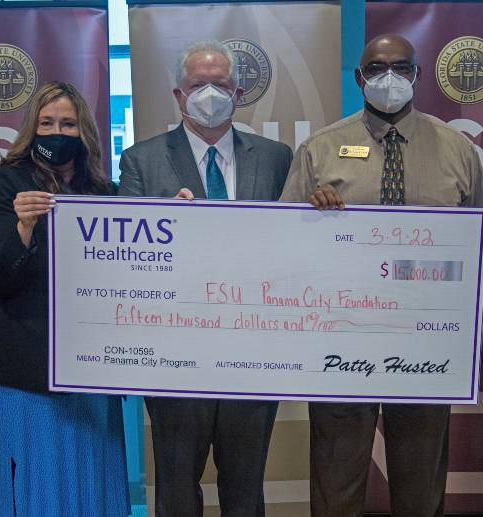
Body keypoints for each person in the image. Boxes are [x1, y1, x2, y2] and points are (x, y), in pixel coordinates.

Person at [280, 34, 483, 517]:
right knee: (336, 485)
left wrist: (473, 338)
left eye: (399, 67)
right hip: (340, 345)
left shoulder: (458, 152)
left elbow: (480, 255)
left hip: (426, 346)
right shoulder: (319, 150)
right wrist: (311, 219)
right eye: (376, 68)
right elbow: (284, 249)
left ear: (417, 74)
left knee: (419, 489)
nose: (387, 78)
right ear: (359, 77)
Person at [119, 40, 292, 516]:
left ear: (238, 93)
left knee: (245, 488)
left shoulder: (277, 157)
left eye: (220, 84)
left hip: (254, 353)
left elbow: (296, 250)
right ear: (179, 95)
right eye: (199, 84)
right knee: (175, 488)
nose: (210, 93)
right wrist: (162, 225)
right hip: (175, 356)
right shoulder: (140, 161)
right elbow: (126, 259)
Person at [0, 81, 130, 517]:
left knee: (92, 482)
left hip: (93, 367)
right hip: (30, 369)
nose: (57, 131)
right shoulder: (10, 182)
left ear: (83, 130)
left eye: (67, 123)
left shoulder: (102, 189)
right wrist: (22, 228)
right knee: (39, 488)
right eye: (46, 123)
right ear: (32, 128)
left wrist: (177, 213)